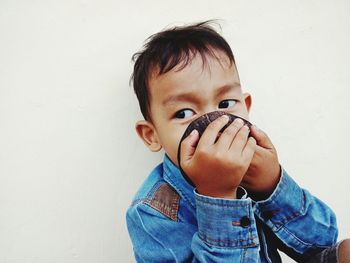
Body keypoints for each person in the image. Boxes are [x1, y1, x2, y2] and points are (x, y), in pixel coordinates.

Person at [126, 20, 348, 262]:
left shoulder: (252, 165)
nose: (214, 122)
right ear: (152, 135)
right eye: (184, 113)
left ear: (246, 107)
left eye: (225, 104)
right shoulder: (152, 212)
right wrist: (218, 196)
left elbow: (323, 241)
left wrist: (272, 186)